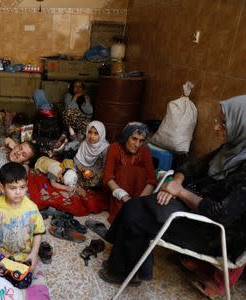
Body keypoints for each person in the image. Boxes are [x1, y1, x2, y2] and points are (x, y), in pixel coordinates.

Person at [98, 95, 246, 297]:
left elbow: (221, 214)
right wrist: (177, 181)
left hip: (214, 234)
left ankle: (125, 271)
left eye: (224, 123)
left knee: (137, 214)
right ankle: (133, 267)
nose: (216, 127)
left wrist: (181, 192)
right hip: (194, 208)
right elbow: (190, 167)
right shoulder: (228, 150)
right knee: (136, 206)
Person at [0, 162, 46, 289]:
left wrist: (34, 254)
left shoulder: (32, 208)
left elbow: (38, 232)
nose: (18, 192)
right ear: (2, 188)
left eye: (22, 187)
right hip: (2, 253)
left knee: (23, 282)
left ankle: (12, 277)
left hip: (23, 255)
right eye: (12, 188)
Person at [101, 122, 156, 223]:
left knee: (140, 171)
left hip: (138, 195)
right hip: (118, 192)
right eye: (134, 139)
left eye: (141, 141)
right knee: (124, 170)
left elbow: (151, 179)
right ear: (126, 137)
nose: (137, 144)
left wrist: (139, 202)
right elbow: (108, 177)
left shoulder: (145, 151)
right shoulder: (114, 148)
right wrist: (124, 197)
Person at [74, 121, 109, 189]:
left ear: (101, 134)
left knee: (97, 179)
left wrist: (93, 173)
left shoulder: (105, 148)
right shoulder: (85, 143)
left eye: (96, 133)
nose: (92, 136)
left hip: (97, 170)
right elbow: (77, 158)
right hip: (83, 169)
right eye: (90, 132)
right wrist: (83, 170)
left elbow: (105, 166)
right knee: (68, 166)